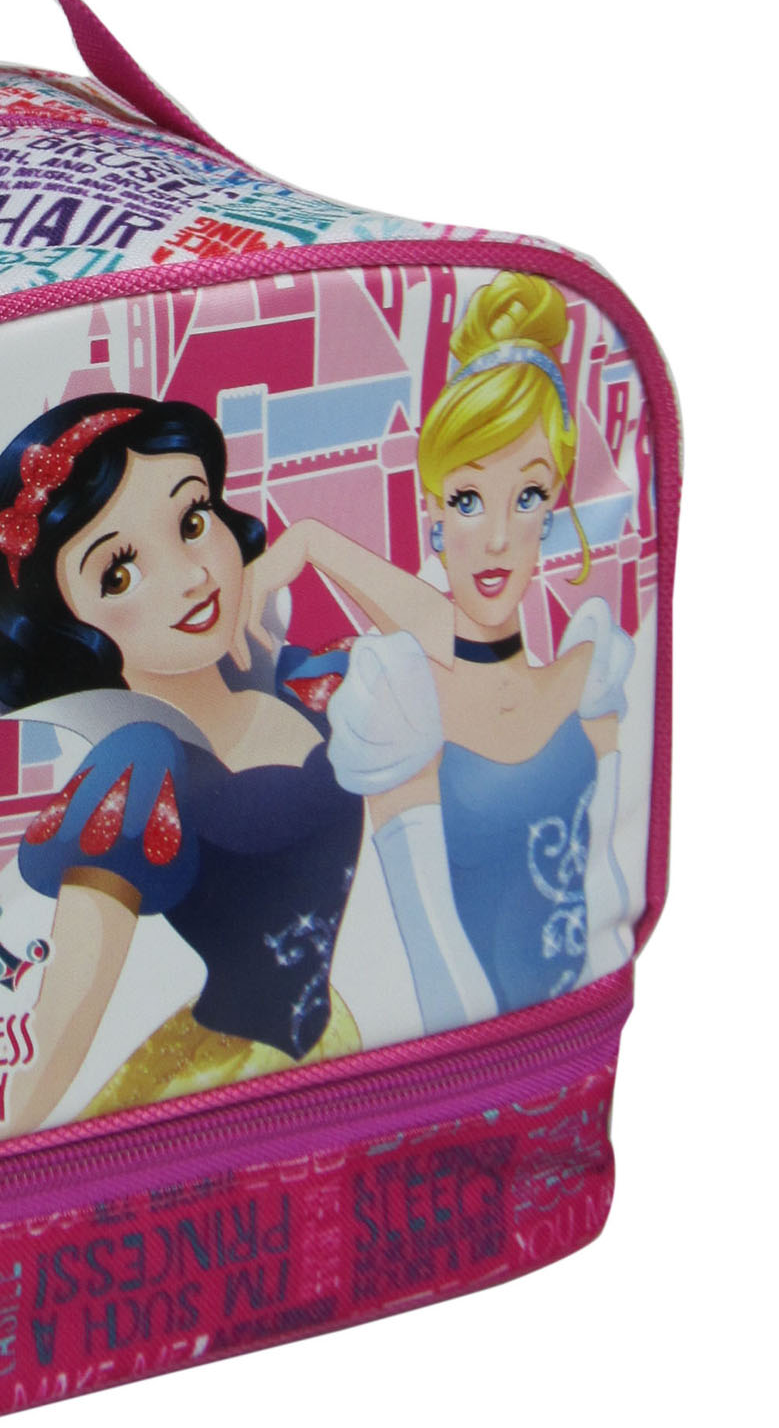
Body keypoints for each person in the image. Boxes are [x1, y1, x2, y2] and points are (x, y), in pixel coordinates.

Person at [239, 271, 635, 1024]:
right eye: (467, 499)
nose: (498, 536)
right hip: (472, 1059)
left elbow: (609, 885)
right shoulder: (406, 700)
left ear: (557, 503)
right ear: (433, 510)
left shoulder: (589, 671)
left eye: (528, 496)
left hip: (579, 1034)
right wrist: (277, 565)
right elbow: (437, 956)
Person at [0, 392, 363, 1134]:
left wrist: (314, 542)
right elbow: (65, 1017)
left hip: (332, 1045)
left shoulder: (301, 682)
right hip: (231, 1091)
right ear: (69, 633)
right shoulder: (141, 763)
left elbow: (454, 661)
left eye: (192, 520)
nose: (189, 575)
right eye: (119, 574)